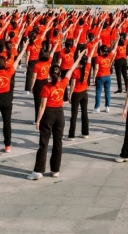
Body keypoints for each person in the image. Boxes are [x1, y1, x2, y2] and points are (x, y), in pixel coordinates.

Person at [26, 50, 86, 180]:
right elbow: (71, 69)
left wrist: (38, 120)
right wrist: (79, 56)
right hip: (60, 114)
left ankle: (38, 171)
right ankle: (55, 170)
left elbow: (42, 106)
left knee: (44, 143)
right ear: (59, 74)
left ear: (49, 74)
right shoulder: (63, 83)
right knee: (58, 143)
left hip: (48, 114)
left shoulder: (46, 88)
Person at [0, 45, 28, 154]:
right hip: (7, 99)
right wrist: (24, 48)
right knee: (7, 122)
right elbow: (17, 59)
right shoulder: (8, 72)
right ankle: (7, 146)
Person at [68, 44, 95, 140]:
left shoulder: (76, 71)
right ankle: (85, 132)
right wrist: (92, 48)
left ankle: (71, 135)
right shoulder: (87, 68)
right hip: (84, 93)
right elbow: (90, 57)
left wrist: (70, 95)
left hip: (76, 93)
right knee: (84, 113)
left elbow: (72, 85)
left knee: (74, 115)